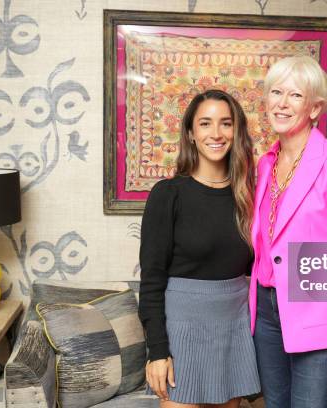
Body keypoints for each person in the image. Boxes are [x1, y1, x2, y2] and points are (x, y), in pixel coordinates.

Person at [249, 56, 327, 408]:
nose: (282, 103)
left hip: (318, 315)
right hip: (267, 315)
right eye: (275, 92)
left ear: (315, 107)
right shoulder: (265, 164)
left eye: (295, 95)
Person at [139, 89, 260, 408]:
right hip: (182, 331)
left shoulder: (249, 196)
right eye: (205, 124)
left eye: (226, 123)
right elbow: (151, 281)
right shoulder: (168, 195)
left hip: (233, 327)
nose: (216, 133)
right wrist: (158, 351)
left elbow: (260, 269)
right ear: (191, 134)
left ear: (237, 132)